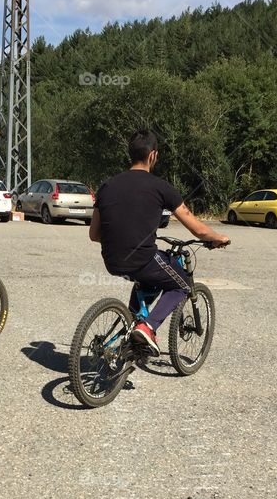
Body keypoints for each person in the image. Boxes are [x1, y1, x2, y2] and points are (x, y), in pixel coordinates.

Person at [88, 130, 230, 356]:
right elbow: (197, 228)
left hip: (112, 261)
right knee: (182, 284)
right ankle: (147, 327)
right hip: (142, 259)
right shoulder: (161, 187)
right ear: (152, 155)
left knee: (148, 279)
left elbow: (94, 234)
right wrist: (218, 238)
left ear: (130, 154)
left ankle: (131, 331)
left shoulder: (107, 186)